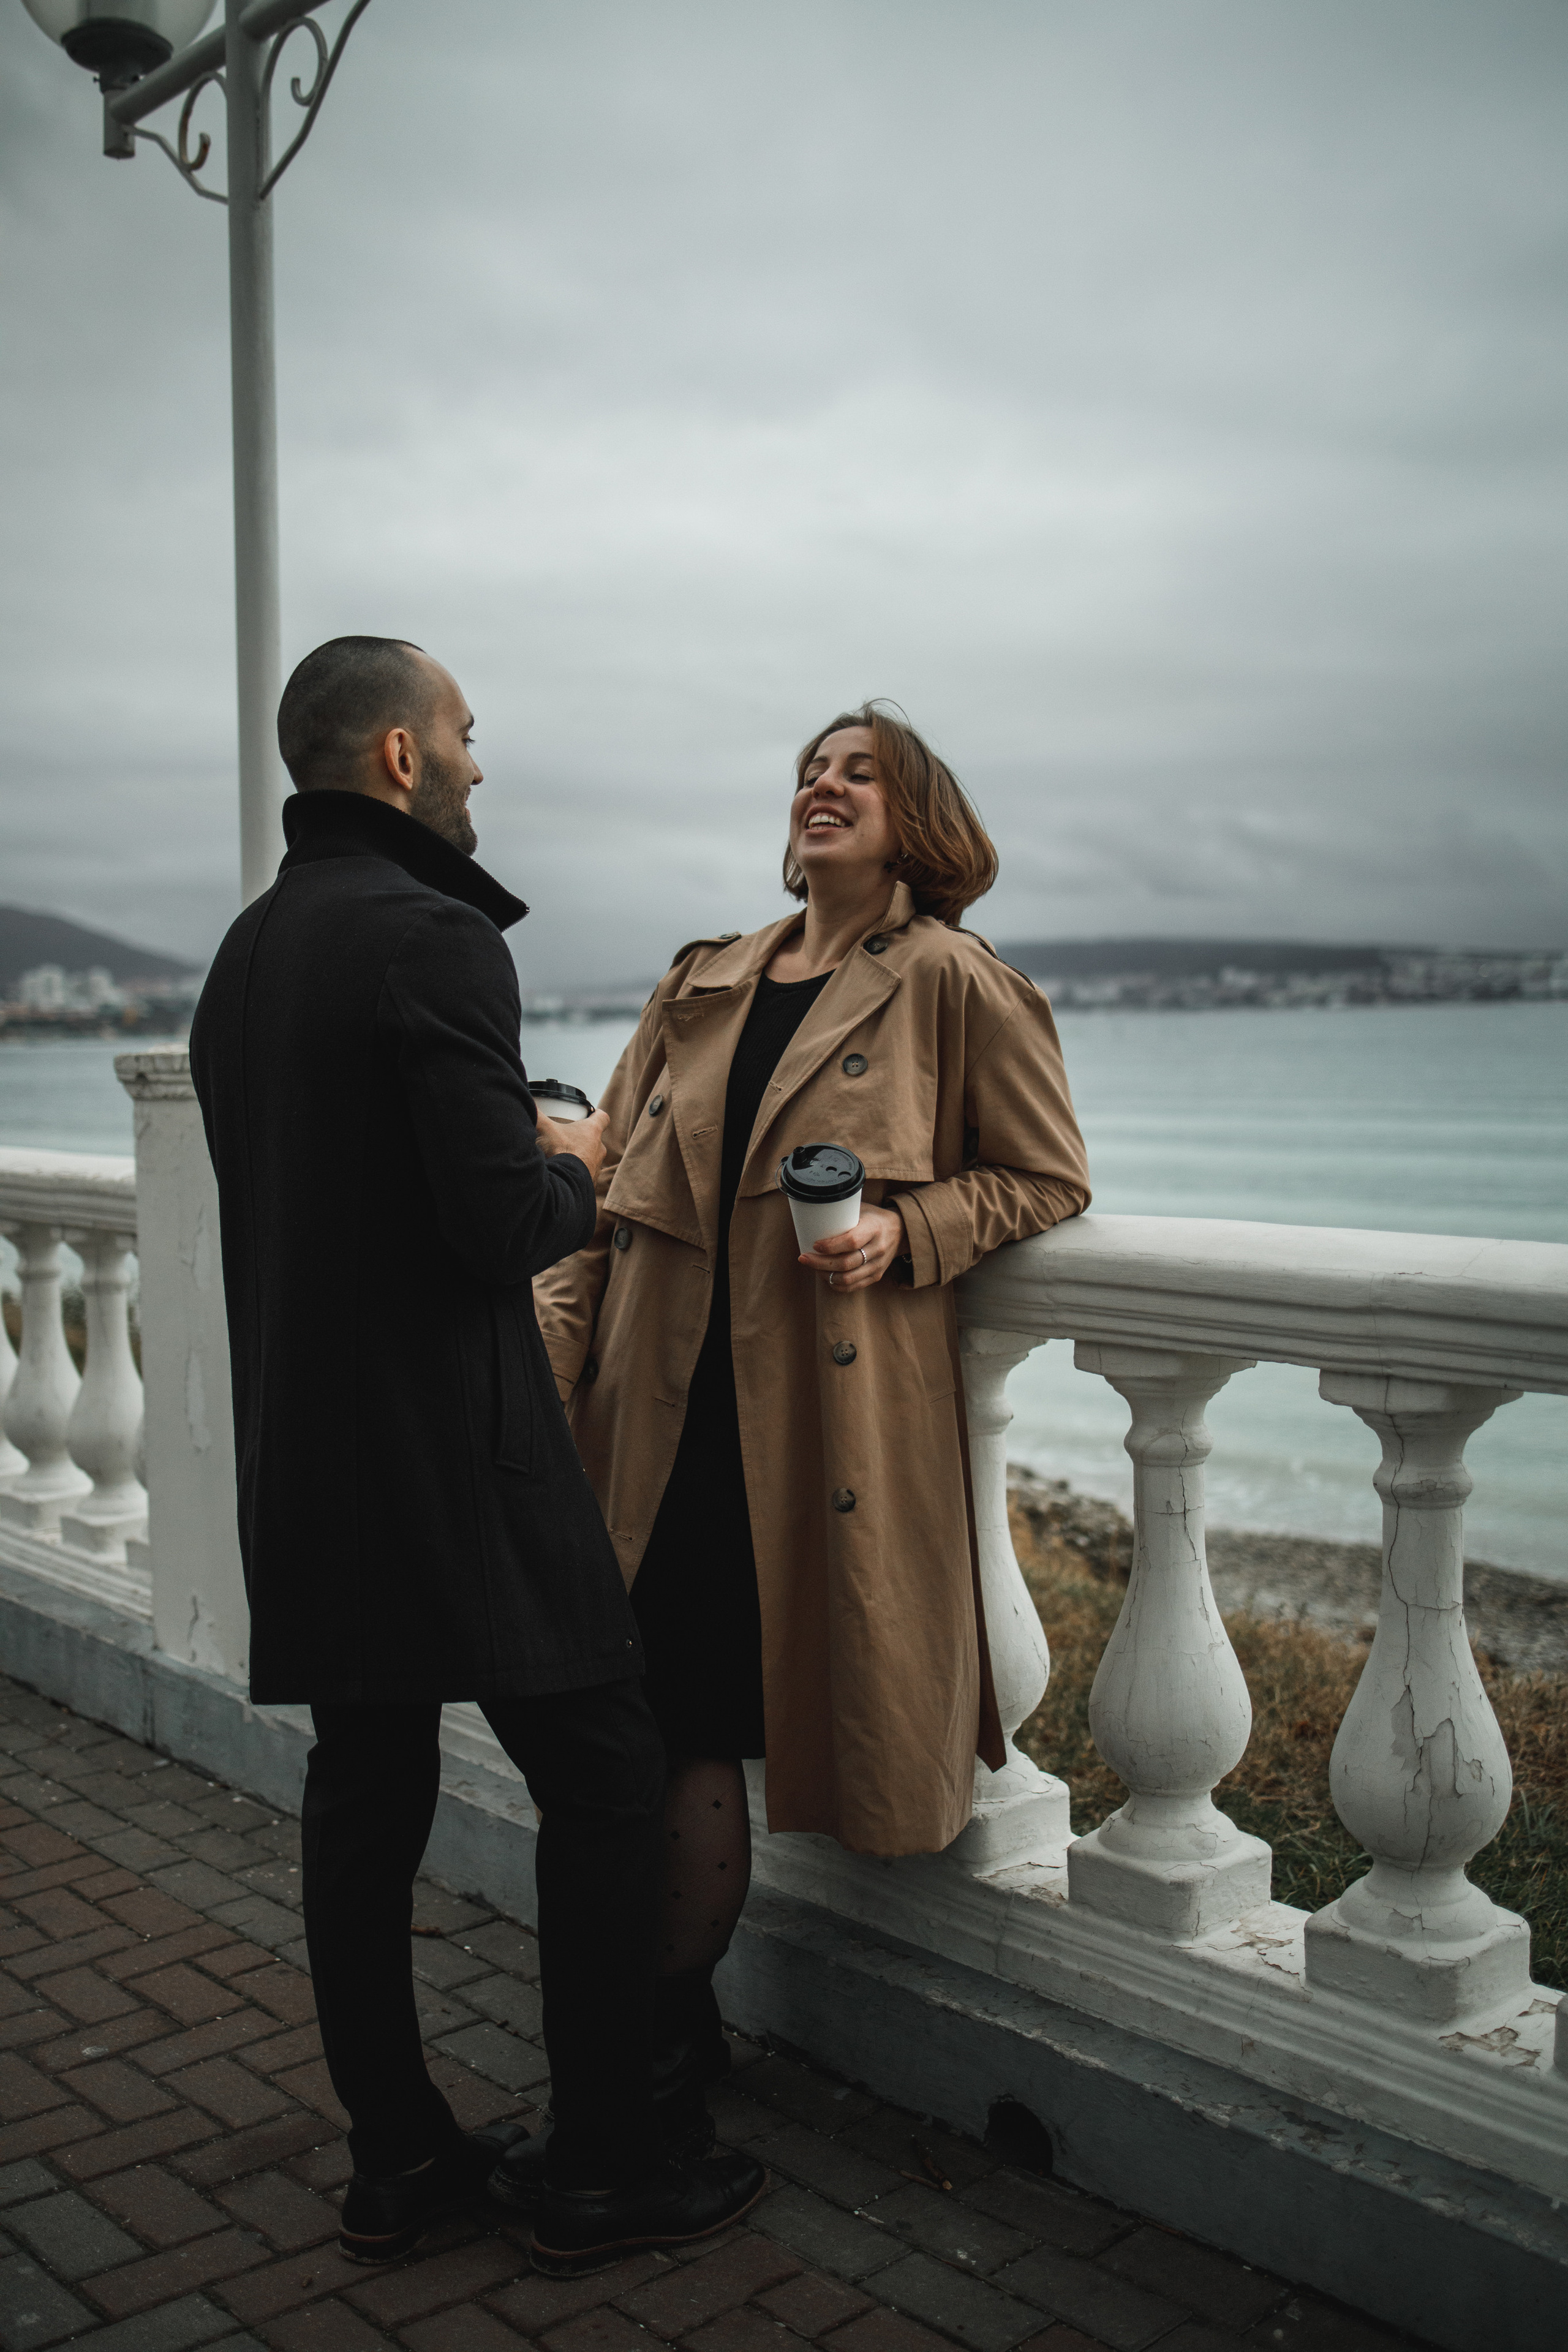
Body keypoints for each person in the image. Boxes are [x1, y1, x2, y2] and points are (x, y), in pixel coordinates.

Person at [189, 636, 764, 2276]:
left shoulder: (248, 955)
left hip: (313, 1454)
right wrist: (579, 1155)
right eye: (461, 735)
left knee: (365, 1793)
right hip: (467, 1459)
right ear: (393, 760)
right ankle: (605, 2164)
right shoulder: (433, 940)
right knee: (601, 1767)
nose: (477, 765)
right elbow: (497, 1224)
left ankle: (402, 2160)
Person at [508, 700, 1090, 2180]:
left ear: (918, 821)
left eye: (859, 774)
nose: (822, 789)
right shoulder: (700, 980)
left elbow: (1042, 1177)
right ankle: (655, 2046)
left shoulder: (954, 981)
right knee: (621, 1725)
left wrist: (906, 1228)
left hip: (801, 1427)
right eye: (808, 773)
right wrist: (538, 1368)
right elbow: (608, 1189)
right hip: (645, 1413)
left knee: (692, 1719)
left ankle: (650, 2049)